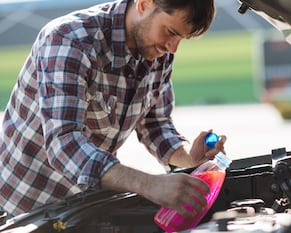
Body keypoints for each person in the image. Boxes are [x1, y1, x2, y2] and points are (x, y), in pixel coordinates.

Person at [0, 0, 227, 218]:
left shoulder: (159, 52)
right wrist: (148, 184)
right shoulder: (70, 39)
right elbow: (65, 143)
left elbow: (155, 125)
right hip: (20, 209)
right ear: (144, 3)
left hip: (81, 208)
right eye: (171, 31)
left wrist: (188, 157)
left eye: (182, 38)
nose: (173, 48)